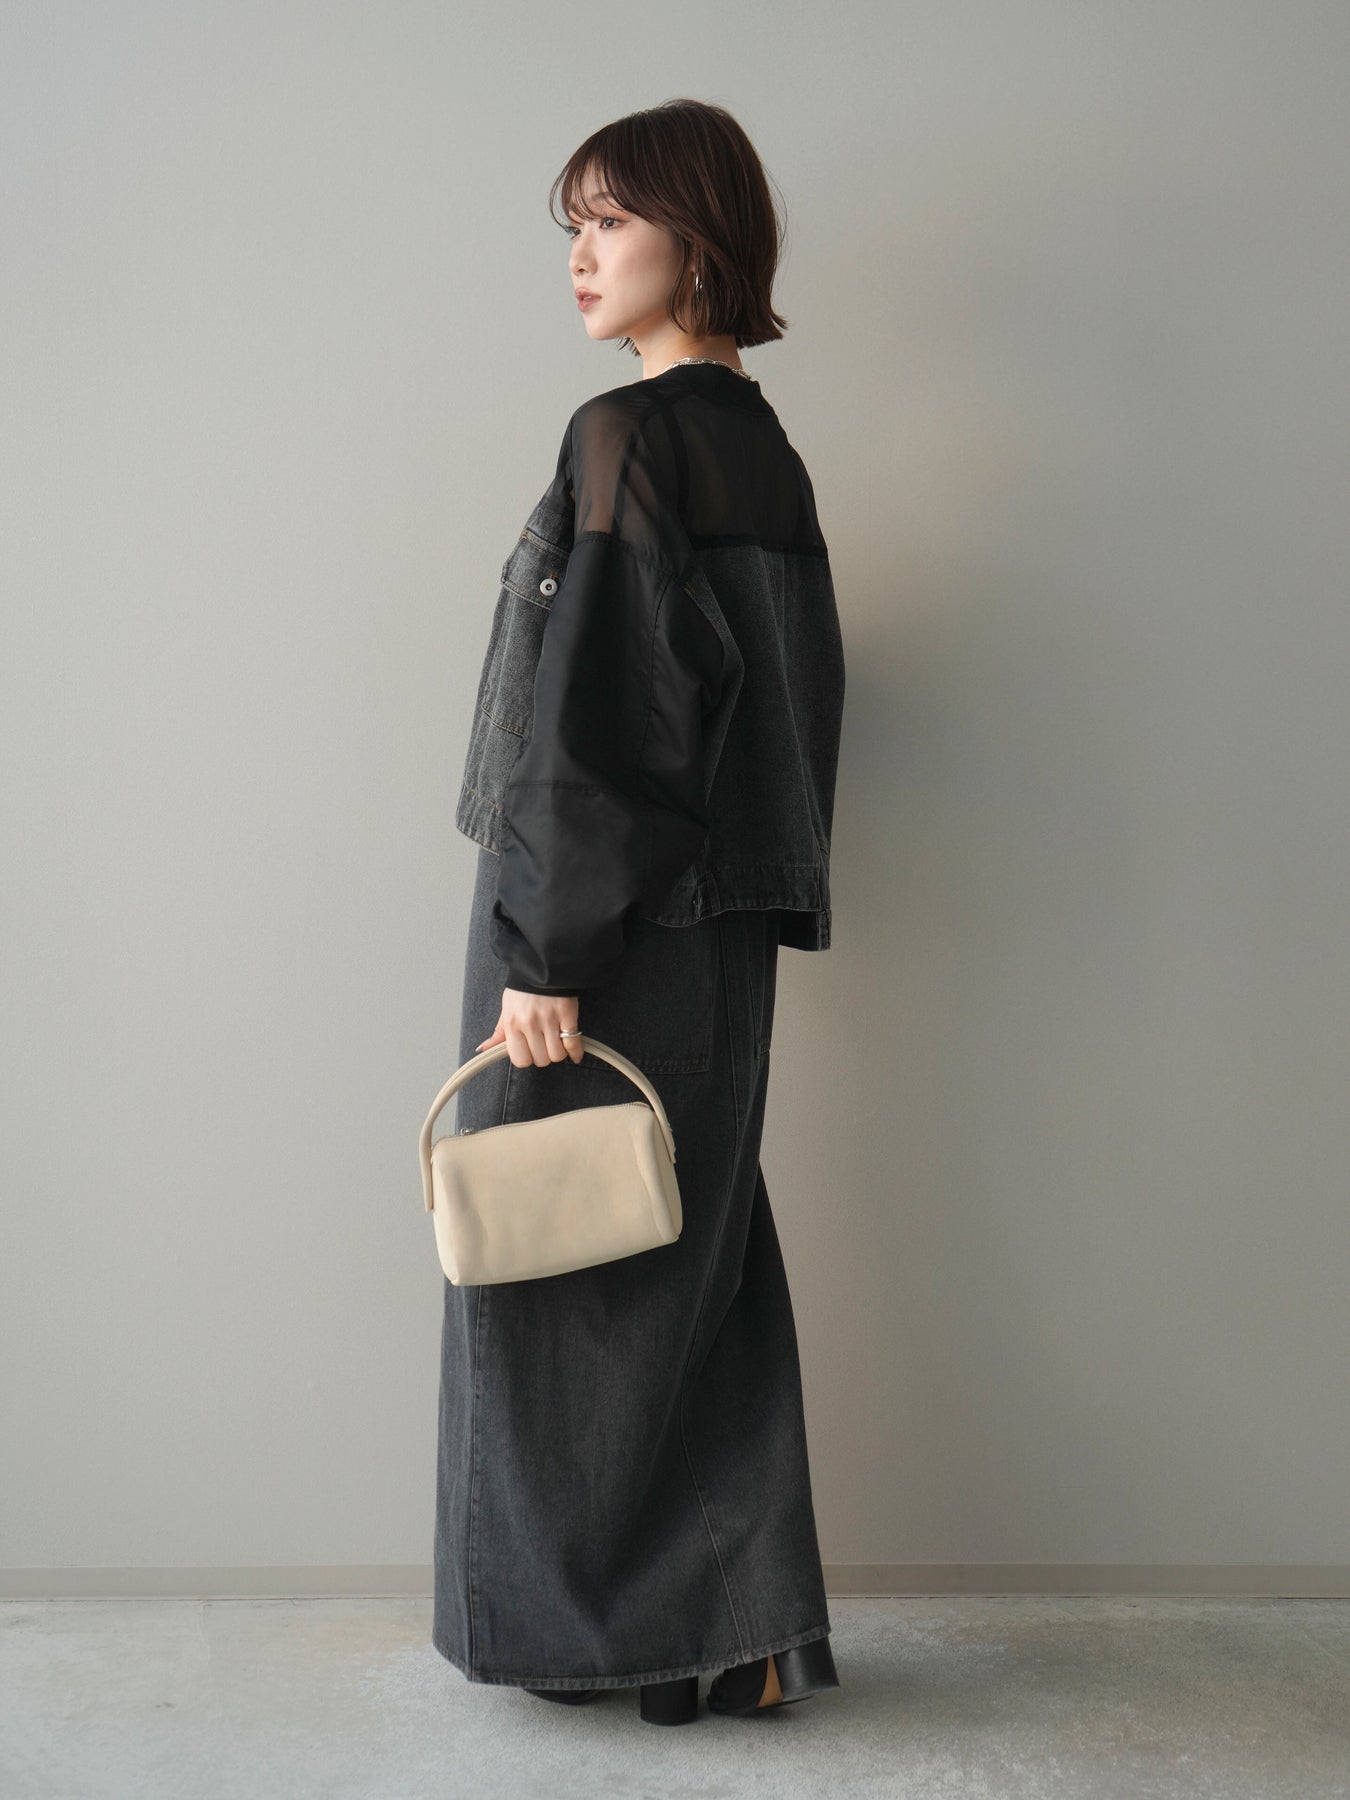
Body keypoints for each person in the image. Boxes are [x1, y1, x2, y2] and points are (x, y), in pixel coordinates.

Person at [433, 98, 846, 1727]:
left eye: (609, 221)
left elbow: (604, 710)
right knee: (696, 1264)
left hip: (603, 918)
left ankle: (614, 1638)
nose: (581, 257)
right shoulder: (766, 450)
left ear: (699, 235)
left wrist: (546, 954)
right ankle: (732, 1635)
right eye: (573, 228)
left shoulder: (629, 434)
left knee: (561, 1278)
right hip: (718, 931)